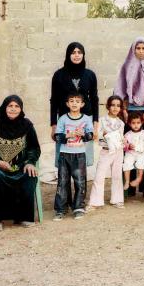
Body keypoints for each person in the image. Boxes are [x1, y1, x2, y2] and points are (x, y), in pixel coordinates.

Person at [0, 95, 41, 231]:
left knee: (29, 175)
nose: (13, 109)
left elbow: (34, 148)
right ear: (4, 107)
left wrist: (30, 162)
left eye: (16, 106)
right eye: (10, 106)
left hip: (20, 165)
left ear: (21, 109)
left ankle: (23, 217)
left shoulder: (27, 126)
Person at [113, 37, 144, 193]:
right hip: (130, 112)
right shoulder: (126, 67)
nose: (141, 51)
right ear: (133, 49)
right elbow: (119, 91)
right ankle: (129, 187)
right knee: (129, 146)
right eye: (138, 48)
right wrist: (124, 111)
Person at [54, 92, 94, 220]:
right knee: (62, 182)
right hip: (64, 154)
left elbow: (91, 136)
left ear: (82, 104)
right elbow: (57, 137)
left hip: (79, 155)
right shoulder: (63, 119)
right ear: (67, 104)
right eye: (71, 101)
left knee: (80, 182)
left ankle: (78, 208)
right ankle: (61, 209)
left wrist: (83, 134)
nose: (74, 103)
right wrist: (68, 135)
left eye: (77, 101)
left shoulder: (86, 119)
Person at [50, 42, 99, 142]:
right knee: (64, 150)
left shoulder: (90, 75)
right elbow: (54, 101)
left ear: (83, 55)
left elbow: (94, 99)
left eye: (79, 52)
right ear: (68, 55)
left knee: (86, 152)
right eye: (73, 52)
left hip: (86, 118)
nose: (77, 55)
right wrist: (54, 125)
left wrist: (95, 123)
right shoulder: (59, 75)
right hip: (65, 119)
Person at [86, 96, 125, 210]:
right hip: (106, 151)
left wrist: (122, 140)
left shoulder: (121, 123)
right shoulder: (102, 120)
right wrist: (104, 134)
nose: (115, 108)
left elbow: (121, 137)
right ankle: (95, 201)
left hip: (118, 152)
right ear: (108, 106)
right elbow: (97, 136)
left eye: (118, 106)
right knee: (99, 175)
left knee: (117, 176)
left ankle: (117, 199)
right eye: (113, 105)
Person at [122, 113, 144, 196]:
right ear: (129, 124)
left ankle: (139, 178)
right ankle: (127, 181)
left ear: (142, 123)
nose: (136, 125)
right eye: (133, 123)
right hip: (131, 153)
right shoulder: (127, 134)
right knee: (127, 162)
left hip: (142, 153)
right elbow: (123, 145)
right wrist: (128, 146)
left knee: (141, 162)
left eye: (138, 123)